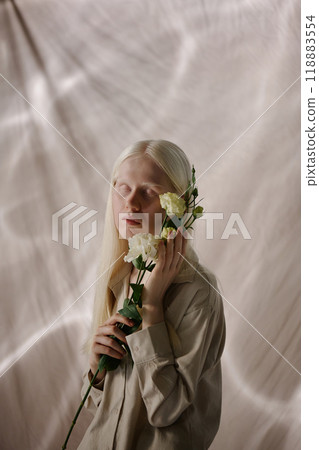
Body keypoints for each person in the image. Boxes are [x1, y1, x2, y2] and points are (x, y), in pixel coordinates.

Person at [78, 140, 226, 450]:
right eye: (123, 189)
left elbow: (166, 409)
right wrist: (97, 370)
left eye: (148, 192)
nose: (130, 205)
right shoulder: (120, 277)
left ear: (179, 207)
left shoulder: (198, 295)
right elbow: (101, 408)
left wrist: (151, 306)